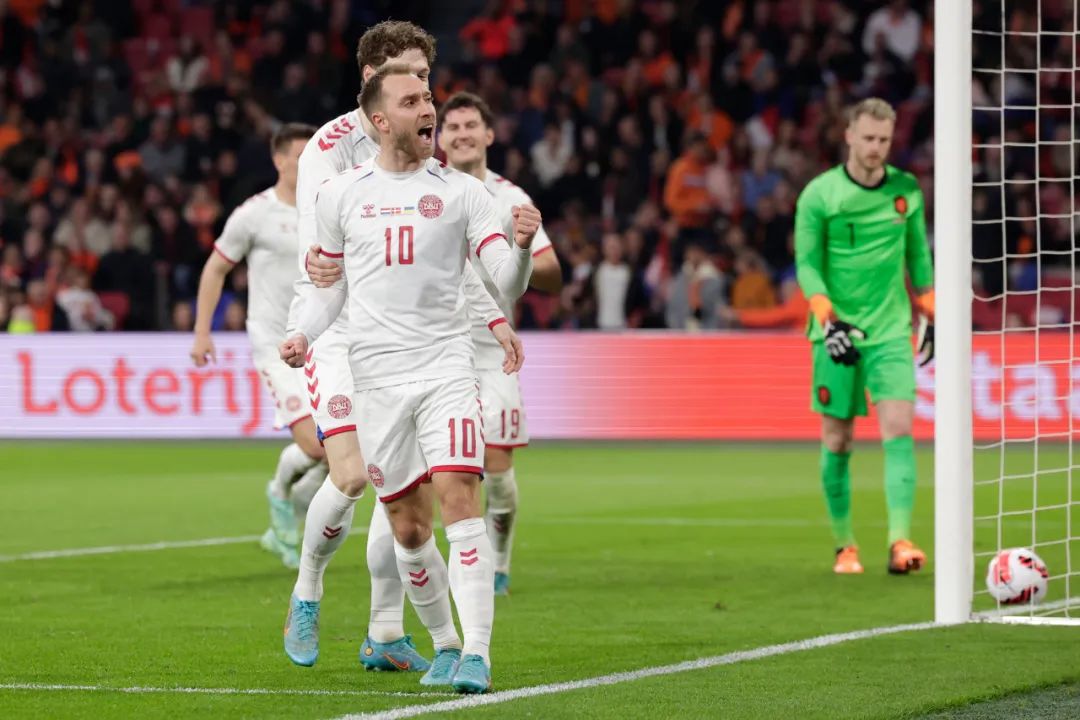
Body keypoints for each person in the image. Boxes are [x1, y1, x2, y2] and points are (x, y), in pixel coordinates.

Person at [283, 65, 536, 694]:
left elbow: (503, 280)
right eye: (412, 100)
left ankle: (477, 653)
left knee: (460, 499)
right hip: (376, 380)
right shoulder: (341, 195)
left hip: (447, 369)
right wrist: (304, 334)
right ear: (379, 120)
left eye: (429, 97)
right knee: (409, 528)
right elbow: (328, 289)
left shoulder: (463, 193)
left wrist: (521, 248)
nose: (429, 109)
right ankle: (444, 644)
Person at [794, 97, 934, 576]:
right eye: (869, 138)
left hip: (891, 330)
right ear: (849, 136)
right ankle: (845, 545)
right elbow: (807, 264)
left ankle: (900, 541)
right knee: (837, 439)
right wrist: (827, 318)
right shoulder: (820, 195)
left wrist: (931, 310)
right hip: (836, 333)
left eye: (884, 140)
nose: (876, 147)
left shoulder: (906, 190)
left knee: (899, 428)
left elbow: (918, 257)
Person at [435, 91, 561, 595]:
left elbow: (552, 274)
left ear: (489, 135)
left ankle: (499, 562)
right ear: (440, 138)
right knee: (438, 472)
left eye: (471, 125)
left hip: (492, 350)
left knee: (499, 470)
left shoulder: (510, 199)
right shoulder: (424, 190)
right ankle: (451, 567)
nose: (462, 133)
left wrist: (520, 252)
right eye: (452, 127)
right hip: (434, 346)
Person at [189, 123, 327, 569]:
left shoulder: (328, 209)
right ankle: (280, 493)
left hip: (325, 341)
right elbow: (215, 269)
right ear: (279, 160)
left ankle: (288, 507)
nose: (308, 164)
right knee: (316, 446)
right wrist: (202, 331)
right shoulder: (254, 214)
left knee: (347, 455)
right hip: (275, 343)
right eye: (300, 156)